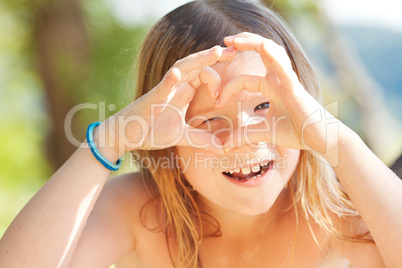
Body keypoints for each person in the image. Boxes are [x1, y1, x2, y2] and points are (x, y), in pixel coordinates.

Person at [1, 0, 401, 267]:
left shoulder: (339, 211)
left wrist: (339, 142)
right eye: (208, 120)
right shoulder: (140, 211)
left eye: (263, 107)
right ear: (166, 139)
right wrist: (110, 140)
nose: (241, 137)